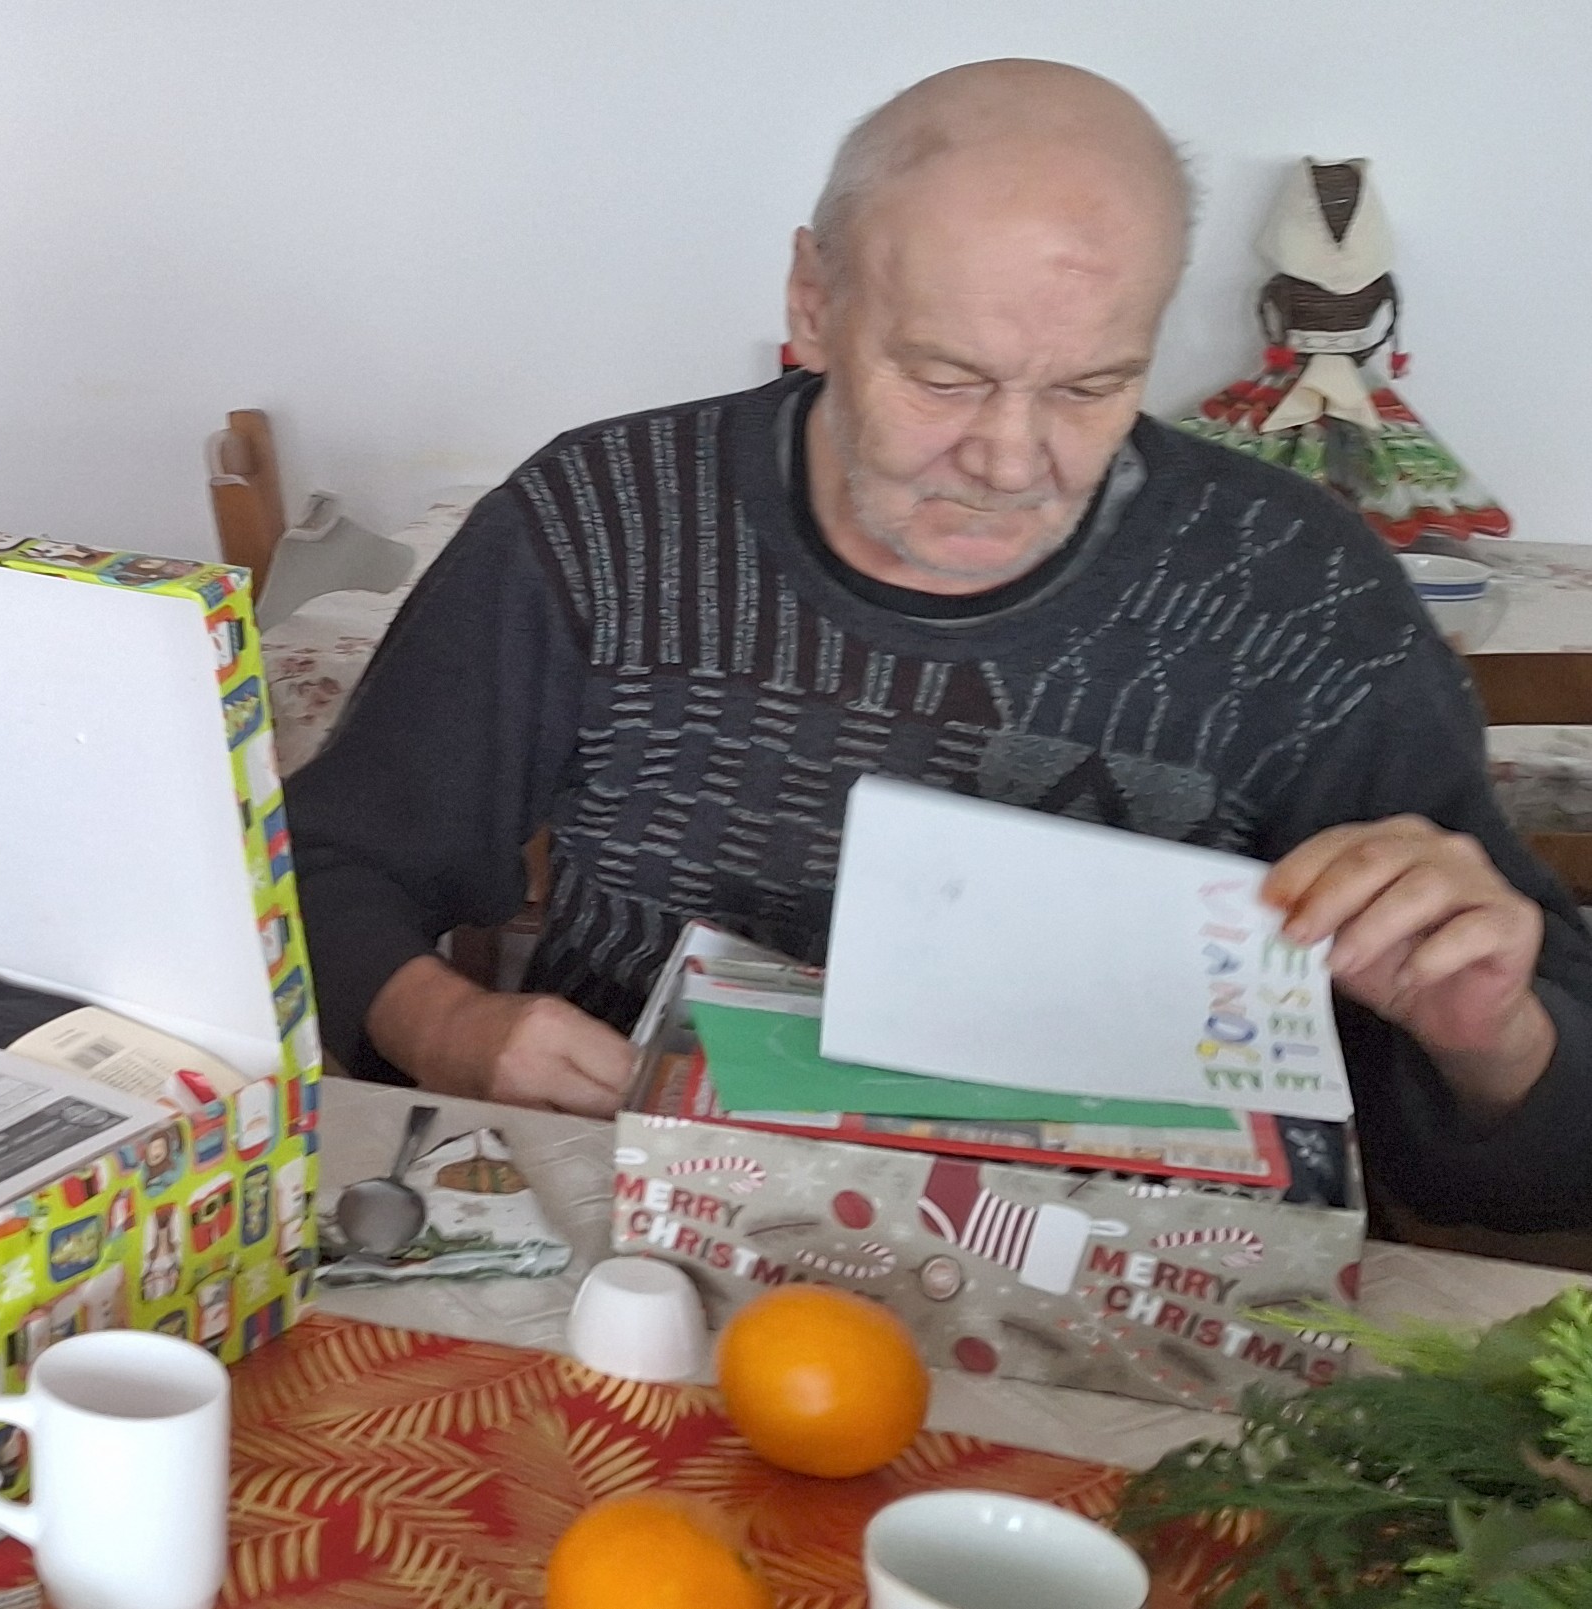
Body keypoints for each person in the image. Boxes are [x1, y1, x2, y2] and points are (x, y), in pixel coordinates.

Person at [287, 59, 1592, 1231]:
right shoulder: (605, 522)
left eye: (1090, 386)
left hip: (1143, 1292)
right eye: (946, 378)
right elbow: (334, 862)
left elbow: (1552, 1164)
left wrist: (1492, 1042)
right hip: (642, 1240)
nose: (1012, 459)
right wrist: (446, 1024)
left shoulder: (1301, 592)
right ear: (814, 301)